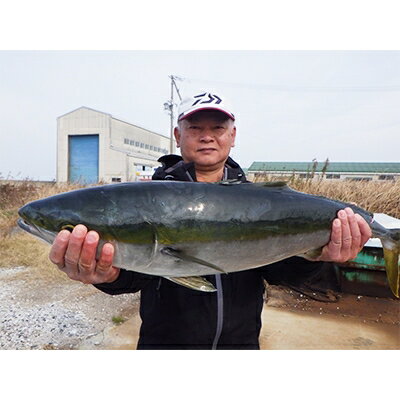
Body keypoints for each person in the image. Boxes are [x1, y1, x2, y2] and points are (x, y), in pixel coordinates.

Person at [49, 90, 372, 349]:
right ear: (178, 134)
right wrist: (105, 274)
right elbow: (137, 274)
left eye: (217, 128)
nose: (207, 137)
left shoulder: (261, 202)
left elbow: (280, 271)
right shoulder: (148, 200)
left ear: (233, 135)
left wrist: (319, 256)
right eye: (195, 128)